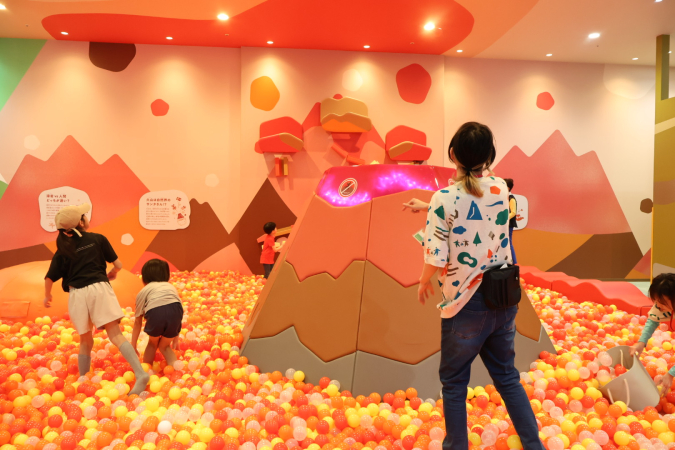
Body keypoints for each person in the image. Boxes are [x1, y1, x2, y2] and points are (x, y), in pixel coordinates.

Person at [412, 122, 544, 450]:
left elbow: (436, 255)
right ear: (489, 156)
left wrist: (423, 280)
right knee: (508, 378)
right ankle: (534, 445)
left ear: (452, 153)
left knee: (455, 383)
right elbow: (476, 207)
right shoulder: (500, 188)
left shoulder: (443, 198)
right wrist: (428, 207)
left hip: (465, 304)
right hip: (503, 297)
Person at [43, 204, 149, 395]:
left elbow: (49, 277)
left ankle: (83, 381)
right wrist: (113, 272)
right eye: (84, 215)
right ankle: (141, 373)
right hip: (99, 289)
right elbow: (118, 264)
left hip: (77, 294)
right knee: (115, 335)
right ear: (81, 222)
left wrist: (47, 295)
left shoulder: (62, 250)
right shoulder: (97, 239)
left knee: (85, 340)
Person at [131, 259, 183, 366]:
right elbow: (178, 313)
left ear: (144, 278)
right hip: (176, 311)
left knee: (152, 343)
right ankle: (176, 371)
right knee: (165, 346)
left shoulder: (144, 291)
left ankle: (147, 369)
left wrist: (133, 344)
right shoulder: (171, 287)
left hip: (156, 312)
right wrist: (175, 339)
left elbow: (137, 322)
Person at [630, 273, 675, 393]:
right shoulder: (661, 305)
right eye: (656, 301)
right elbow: (654, 319)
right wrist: (641, 342)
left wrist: (671, 374)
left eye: (662, 302)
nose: (658, 305)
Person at [504, 178, 518, 264]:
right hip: (503, 225)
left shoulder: (511, 199)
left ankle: (514, 262)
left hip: (509, 224)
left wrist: (504, 219)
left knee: (509, 242)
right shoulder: (504, 198)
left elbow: (513, 212)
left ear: (508, 188)